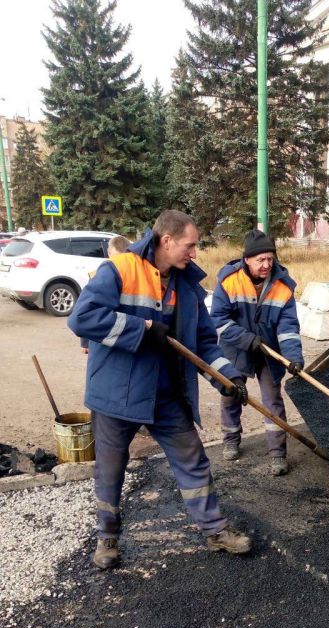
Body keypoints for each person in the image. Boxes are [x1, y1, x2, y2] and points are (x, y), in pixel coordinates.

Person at [68, 210, 252, 569]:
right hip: (116, 395)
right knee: (110, 469)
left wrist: (229, 378)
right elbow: (82, 318)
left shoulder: (187, 286)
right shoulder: (120, 270)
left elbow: (203, 342)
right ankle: (107, 539)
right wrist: (141, 327)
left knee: (193, 460)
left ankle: (215, 530)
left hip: (166, 394)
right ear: (167, 241)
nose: (194, 253)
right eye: (190, 245)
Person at [210, 229, 304, 476]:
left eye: (270, 259)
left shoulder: (283, 286)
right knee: (231, 392)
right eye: (260, 260)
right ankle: (231, 440)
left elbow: (288, 326)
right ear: (247, 259)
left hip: (268, 349)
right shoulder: (229, 280)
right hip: (237, 347)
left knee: (272, 400)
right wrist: (245, 339)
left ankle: (277, 454)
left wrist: (293, 356)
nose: (266, 265)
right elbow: (218, 320)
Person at [81, 236, 130, 354]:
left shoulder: (132, 275)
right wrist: (85, 342)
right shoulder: (98, 276)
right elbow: (88, 309)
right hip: (103, 336)